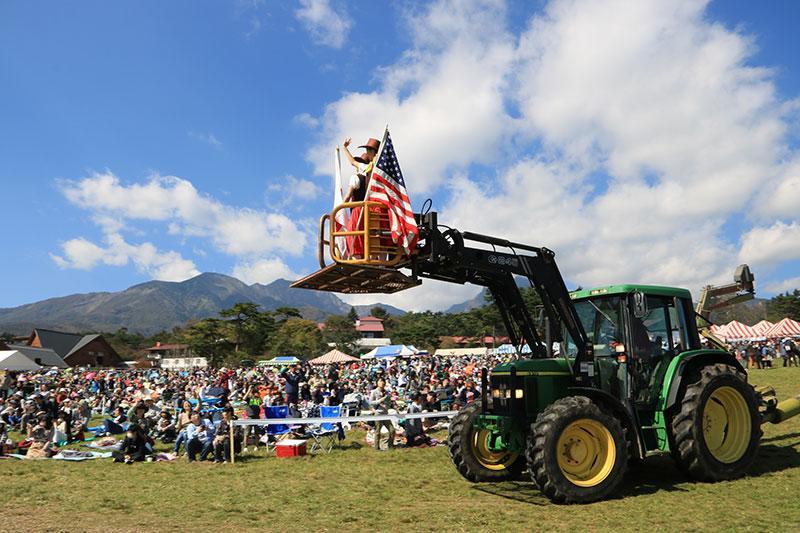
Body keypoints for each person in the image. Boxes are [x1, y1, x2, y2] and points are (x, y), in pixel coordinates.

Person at [369, 379, 394, 450]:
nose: (382, 383)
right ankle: (377, 448)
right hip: (378, 413)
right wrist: (380, 400)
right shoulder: (374, 392)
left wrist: (387, 405)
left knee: (392, 430)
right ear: (377, 383)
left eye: (383, 382)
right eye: (380, 382)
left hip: (385, 413)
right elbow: (370, 402)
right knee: (377, 432)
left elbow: (389, 403)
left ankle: (390, 446)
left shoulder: (386, 393)